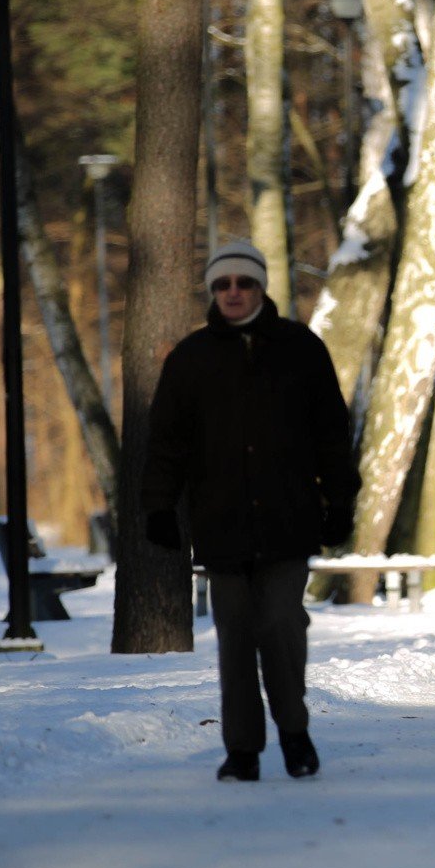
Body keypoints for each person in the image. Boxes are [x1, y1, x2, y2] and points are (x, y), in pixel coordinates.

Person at [142, 239, 360, 781]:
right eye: (223, 285)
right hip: (221, 521)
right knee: (235, 636)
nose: (233, 293)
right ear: (213, 292)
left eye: (244, 283)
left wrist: (341, 501)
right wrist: (159, 507)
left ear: (261, 287)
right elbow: (166, 441)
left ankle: (294, 734)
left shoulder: (301, 348)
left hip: (289, 518)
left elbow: (333, 434)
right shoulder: (191, 360)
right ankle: (242, 750)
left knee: (282, 625)